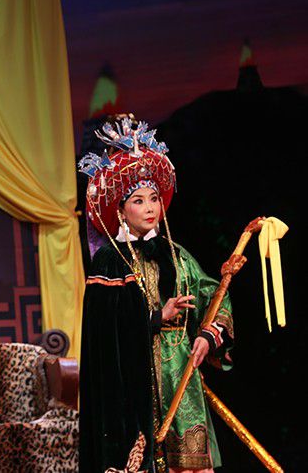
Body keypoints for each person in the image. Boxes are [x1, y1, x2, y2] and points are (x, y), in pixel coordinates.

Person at [78, 118, 235, 473]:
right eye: (138, 201)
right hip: (134, 378)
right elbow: (103, 329)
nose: (149, 208)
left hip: (179, 371)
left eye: (153, 199)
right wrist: (155, 318)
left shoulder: (177, 256)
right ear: (120, 210)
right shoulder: (110, 260)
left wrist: (207, 336)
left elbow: (214, 297)